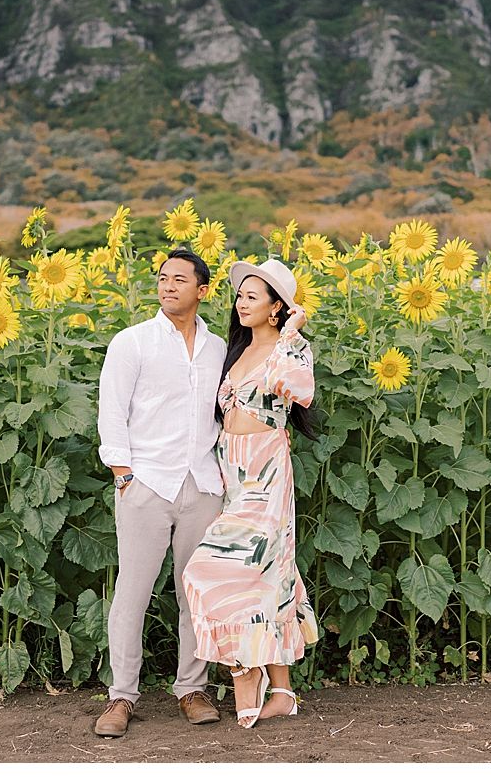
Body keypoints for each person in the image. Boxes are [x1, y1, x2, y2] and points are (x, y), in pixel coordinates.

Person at [93, 248, 227, 738]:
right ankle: (121, 697)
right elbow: (112, 411)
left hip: (202, 484)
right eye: (162, 278)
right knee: (133, 592)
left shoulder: (218, 348)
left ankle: (191, 689)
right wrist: (124, 473)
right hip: (146, 483)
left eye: (179, 279)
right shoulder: (133, 342)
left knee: (196, 593)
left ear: (202, 290)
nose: (168, 286)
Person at [182, 256, 319, 728]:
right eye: (239, 295)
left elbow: (297, 389)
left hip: (267, 473)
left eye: (252, 297)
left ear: (277, 307)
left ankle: (246, 670)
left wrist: (292, 331)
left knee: (208, 571)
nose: (241, 303)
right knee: (266, 579)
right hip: (233, 476)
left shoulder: (291, 349)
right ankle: (280, 691)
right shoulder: (236, 352)